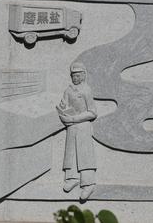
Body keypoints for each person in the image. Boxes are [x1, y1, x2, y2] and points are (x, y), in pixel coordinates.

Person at [57, 61, 97, 202]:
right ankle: (72, 178)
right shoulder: (68, 91)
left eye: (78, 75)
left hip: (83, 126)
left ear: (84, 75)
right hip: (71, 127)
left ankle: (88, 184)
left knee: (84, 155)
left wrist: (75, 118)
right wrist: (63, 110)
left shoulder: (87, 90)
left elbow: (93, 112)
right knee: (71, 153)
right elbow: (63, 106)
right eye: (73, 75)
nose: (75, 77)